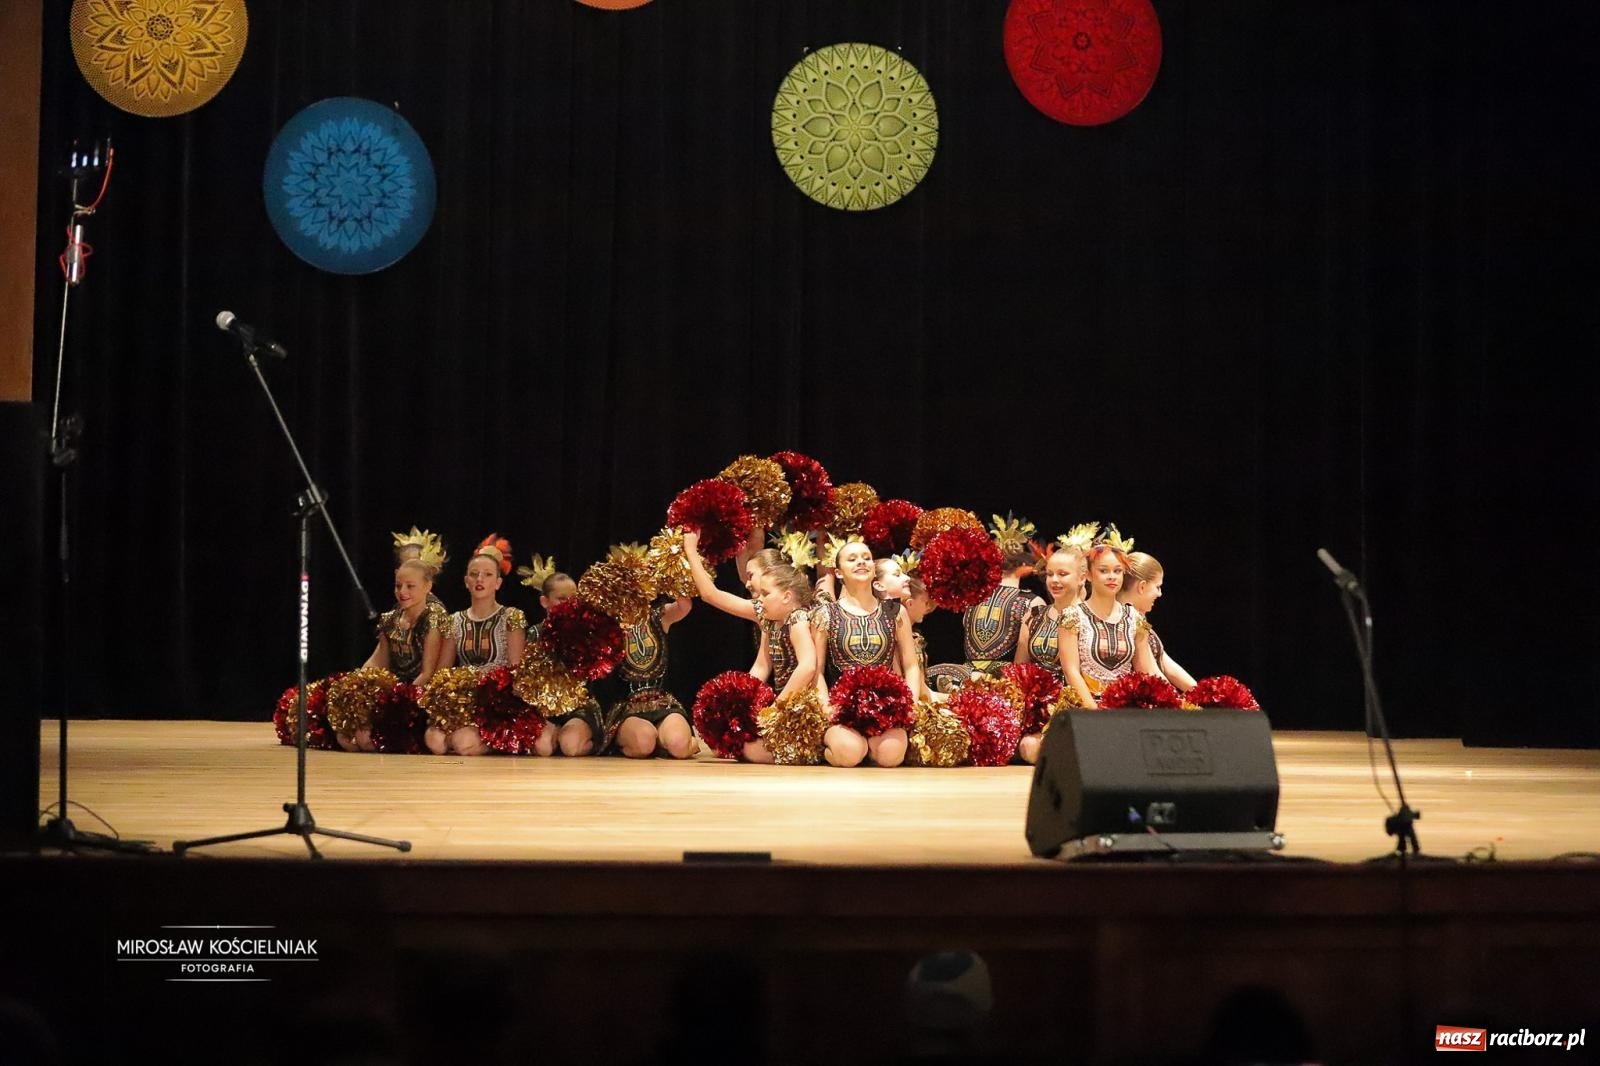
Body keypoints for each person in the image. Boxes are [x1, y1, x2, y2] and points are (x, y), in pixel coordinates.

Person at [682, 530, 818, 763]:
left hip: (798, 703)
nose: (747, 582)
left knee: (752, 750)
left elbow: (808, 666)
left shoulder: (796, 615)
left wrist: (691, 551)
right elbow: (762, 665)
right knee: (728, 743)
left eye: (751, 574)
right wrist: (741, 703)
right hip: (780, 699)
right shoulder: (766, 613)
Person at [816, 539, 922, 768]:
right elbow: (817, 671)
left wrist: (909, 703)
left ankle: (872, 748)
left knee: (890, 756)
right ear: (839, 572)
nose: (861, 562)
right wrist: (826, 707)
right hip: (841, 710)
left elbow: (911, 665)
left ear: (874, 569)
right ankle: (837, 748)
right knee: (848, 754)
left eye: (866, 558)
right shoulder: (826, 613)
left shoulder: (895, 611)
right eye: (852, 559)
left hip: (885, 708)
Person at [425, 536, 527, 756]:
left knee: (462, 743)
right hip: (464, 699)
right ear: (466, 581)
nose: (480, 579)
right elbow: (443, 670)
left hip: (495, 703)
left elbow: (516, 668)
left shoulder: (511, 617)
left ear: (498, 583)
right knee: (434, 741)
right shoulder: (455, 620)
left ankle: (494, 740)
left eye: (488, 575)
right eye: (474, 574)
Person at [339, 558, 448, 751]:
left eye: (410, 586)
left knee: (370, 739)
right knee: (347, 737)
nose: (402, 592)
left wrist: (399, 703)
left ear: (427, 586)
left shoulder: (434, 618)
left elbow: (427, 673)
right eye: (398, 586)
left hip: (420, 696)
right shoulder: (391, 619)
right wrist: (358, 682)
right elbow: (379, 659)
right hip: (395, 691)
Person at [926, 515, 1038, 693]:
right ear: (1025, 566)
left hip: (964, 677)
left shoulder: (974, 598)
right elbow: (1023, 652)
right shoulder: (1031, 601)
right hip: (1003, 681)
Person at [1063, 526, 1159, 708]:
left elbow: (1146, 671)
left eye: (1117, 571)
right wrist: (1095, 714)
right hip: (1084, 710)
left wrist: (1175, 703)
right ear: (1089, 575)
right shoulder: (1072, 617)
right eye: (1104, 570)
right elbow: (1071, 671)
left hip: (1124, 710)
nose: (1112, 577)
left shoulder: (1134, 618)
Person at [1013, 539, 1089, 762]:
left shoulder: (1089, 617)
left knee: (1031, 749)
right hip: (1035, 707)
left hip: (1073, 703)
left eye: (1063, 574)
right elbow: (1019, 669)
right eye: (1050, 574)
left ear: (1082, 578)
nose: (1054, 580)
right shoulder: (1034, 617)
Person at [520, 565, 605, 757]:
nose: (570, 604)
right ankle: (557, 735)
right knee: (542, 748)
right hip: (546, 708)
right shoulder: (534, 633)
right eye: (561, 599)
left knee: (570, 746)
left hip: (580, 707)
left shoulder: (588, 631)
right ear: (544, 601)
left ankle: (596, 742)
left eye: (574, 598)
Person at [606, 594, 696, 758]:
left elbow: (685, 606)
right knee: (644, 743)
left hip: (662, 703)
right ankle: (638, 741)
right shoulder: (610, 618)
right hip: (628, 708)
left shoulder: (658, 615)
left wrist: (670, 572)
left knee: (679, 745)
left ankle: (667, 741)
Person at [1119, 550, 1198, 692]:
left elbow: (1165, 663)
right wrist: (1178, 704)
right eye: (1157, 587)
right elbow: (1149, 670)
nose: (1160, 593)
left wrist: (1203, 695)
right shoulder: (1126, 620)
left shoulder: (1139, 621)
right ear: (1142, 586)